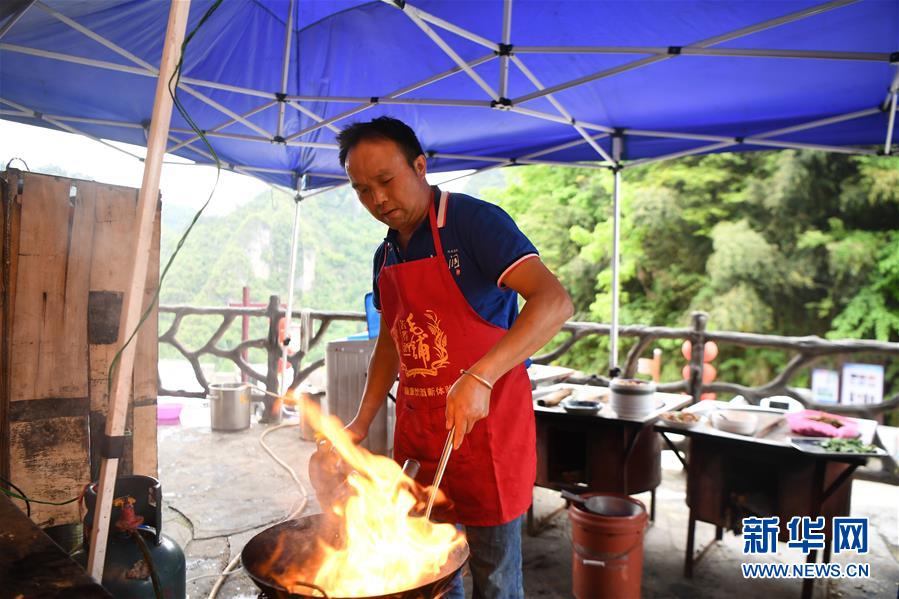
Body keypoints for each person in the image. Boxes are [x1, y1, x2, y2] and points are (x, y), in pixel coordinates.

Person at [336, 116, 572, 598]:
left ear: (420, 166)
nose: (377, 200)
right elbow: (391, 343)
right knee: (431, 573)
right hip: (422, 436)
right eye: (362, 190)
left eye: (386, 181)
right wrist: (360, 421)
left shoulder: (473, 223)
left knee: (496, 576)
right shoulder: (385, 256)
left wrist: (481, 378)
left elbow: (554, 301)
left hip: (486, 433)